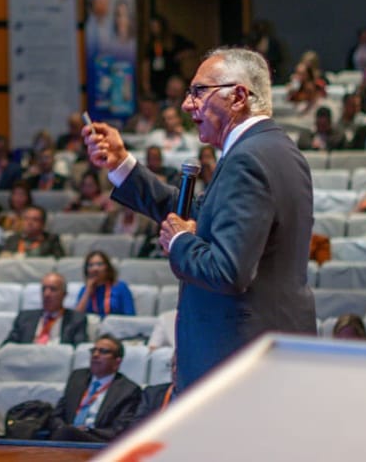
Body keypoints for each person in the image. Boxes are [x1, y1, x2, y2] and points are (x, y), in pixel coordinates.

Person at [82, 46, 316, 392]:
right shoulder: (277, 150)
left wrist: (179, 242)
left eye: (198, 92)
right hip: (266, 351)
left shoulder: (247, 160)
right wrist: (121, 164)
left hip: (236, 361)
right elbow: (195, 217)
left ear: (238, 96)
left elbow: (228, 271)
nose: (186, 104)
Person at [48, 334, 142, 443]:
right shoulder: (77, 378)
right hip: (66, 435)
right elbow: (57, 414)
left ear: (117, 362)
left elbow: (120, 429)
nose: (95, 355)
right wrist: (61, 427)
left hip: (97, 441)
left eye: (103, 351)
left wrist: (87, 430)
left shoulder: (128, 390)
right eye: (94, 350)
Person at [3, 273, 88, 345]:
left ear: (64, 294)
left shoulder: (76, 319)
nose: (46, 294)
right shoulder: (24, 317)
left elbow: (78, 348)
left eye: (53, 289)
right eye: (44, 289)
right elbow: (8, 346)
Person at [142, 15, 193, 98]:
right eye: (152, 27)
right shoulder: (151, 44)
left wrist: (180, 56)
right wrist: (146, 84)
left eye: (156, 26)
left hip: (172, 74)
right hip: (156, 77)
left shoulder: (174, 39)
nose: (154, 29)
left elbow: (191, 49)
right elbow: (146, 64)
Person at [75, 250, 135, 318]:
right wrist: (87, 292)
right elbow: (76, 317)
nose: (95, 268)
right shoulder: (84, 289)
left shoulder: (120, 287)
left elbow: (130, 316)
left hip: (116, 326)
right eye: (90, 265)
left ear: (107, 268)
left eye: (99, 264)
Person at [0, 206, 64, 258]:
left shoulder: (51, 240)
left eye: (35, 219)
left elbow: (60, 262)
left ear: (43, 223)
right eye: (26, 219)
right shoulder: (12, 239)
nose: (29, 222)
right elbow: (4, 262)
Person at [134, 352, 175, 422]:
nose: (175, 370)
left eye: (180, 366)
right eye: (173, 365)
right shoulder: (151, 395)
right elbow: (138, 426)